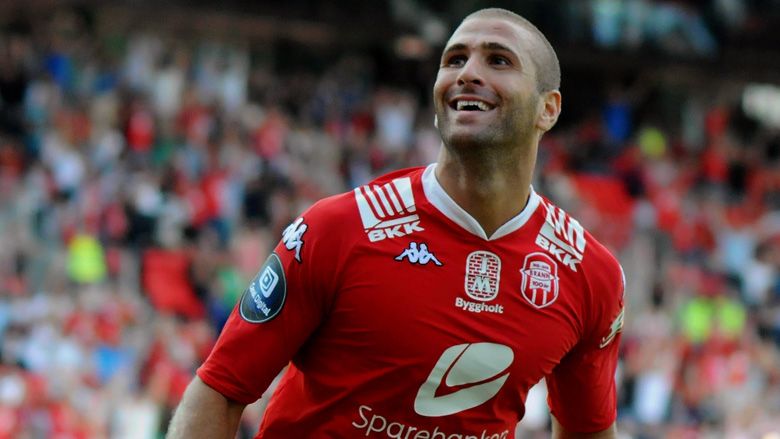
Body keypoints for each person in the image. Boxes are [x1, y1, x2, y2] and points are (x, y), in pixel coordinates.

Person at [167, 7, 625, 438]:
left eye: (498, 60)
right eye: (455, 60)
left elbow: (588, 431)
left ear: (548, 108)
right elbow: (220, 389)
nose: (467, 73)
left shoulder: (590, 275)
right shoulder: (338, 228)